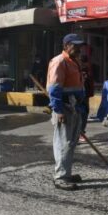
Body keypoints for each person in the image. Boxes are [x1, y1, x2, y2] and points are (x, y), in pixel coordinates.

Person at [46, 34, 86, 191]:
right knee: (63, 143)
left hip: (74, 107)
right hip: (64, 108)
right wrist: (58, 110)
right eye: (75, 45)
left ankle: (66, 173)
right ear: (66, 46)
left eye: (79, 45)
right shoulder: (60, 61)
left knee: (70, 143)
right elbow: (54, 88)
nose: (78, 48)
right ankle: (61, 177)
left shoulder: (73, 61)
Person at [79, 54, 94, 140]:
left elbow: (89, 85)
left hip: (85, 96)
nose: (84, 64)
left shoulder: (87, 72)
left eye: (85, 62)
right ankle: (78, 133)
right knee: (79, 115)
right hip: (79, 97)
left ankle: (81, 132)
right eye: (83, 62)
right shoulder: (77, 71)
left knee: (84, 114)